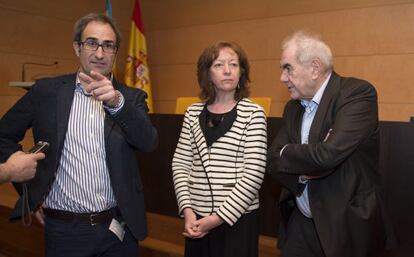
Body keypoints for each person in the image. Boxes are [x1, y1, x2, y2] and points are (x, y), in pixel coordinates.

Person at [0, 13, 158, 257]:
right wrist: (31, 191)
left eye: (108, 45)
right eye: (91, 43)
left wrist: (117, 102)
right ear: (77, 47)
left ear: (115, 52)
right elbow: (4, 135)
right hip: (64, 231)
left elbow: (148, 142)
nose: (99, 53)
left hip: (119, 232)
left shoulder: (131, 97)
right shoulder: (47, 92)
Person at [267, 31, 396, 257]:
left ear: (315, 68)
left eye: (288, 68)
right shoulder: (293, 107)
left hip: (345, 226)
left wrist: (290, 155)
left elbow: (327, 155)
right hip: (300, 223)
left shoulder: (355, 94)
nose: (282, 78)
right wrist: (306, 169)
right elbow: (272, 159)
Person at [172, 41, 267, 257]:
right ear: (207, 73)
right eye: (219, 65)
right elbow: (180, 164)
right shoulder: (192, 113)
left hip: (235, 221)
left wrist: (215, 220)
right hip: (195, 221)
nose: (227, 70)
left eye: (234, 65)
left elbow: (253, 175)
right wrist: (187, 212)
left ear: (241, 72)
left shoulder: (253, 113)